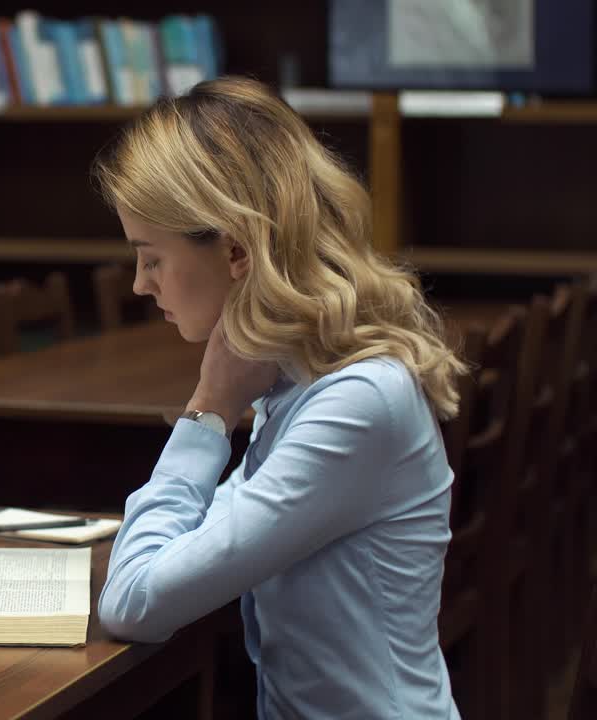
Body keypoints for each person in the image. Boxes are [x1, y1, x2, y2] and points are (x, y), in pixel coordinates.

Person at [92, 76, 467, 719]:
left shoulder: (356, 404)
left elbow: (134, 600)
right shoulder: (300, 388)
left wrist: (209, 405)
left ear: (236, 250)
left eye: (151, 258)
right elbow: (182, 552)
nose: (139, 284)